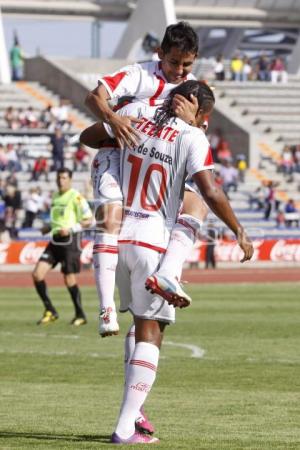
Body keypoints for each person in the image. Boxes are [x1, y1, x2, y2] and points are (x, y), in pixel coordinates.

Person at [91, 80, 253, 444]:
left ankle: (135, 417)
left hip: (121, 236)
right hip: (154, 239)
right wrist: (239, 230)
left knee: (137, 324)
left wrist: (114, 124)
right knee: (152, 333)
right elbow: (209, 190)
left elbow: (89, 135)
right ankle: (125, 427)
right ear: (203, 114)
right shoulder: (193, 136)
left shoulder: (133, 113)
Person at [83, 21, 209, 337]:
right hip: (116, 152)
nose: (180, 71)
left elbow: (198, 130)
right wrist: (113, 118)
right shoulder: (138, 74)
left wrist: (194, 121)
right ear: (159, 54)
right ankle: (105, 308)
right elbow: (94, 98)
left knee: (196, 203)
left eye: (187, 64)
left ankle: (168, 273)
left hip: (157, 167)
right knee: (110, 216)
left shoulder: (194, 87)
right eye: (174, 62)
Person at [32, 168, 93, 326]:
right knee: (37, 274)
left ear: (70, 180)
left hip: (70, 241)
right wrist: (48, 227)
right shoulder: (55, 196)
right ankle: (50, 310)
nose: (61, 181)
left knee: (69, 278)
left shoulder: (76, 196)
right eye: (59, 178)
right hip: (55, 240)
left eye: (64, 178)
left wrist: (71, 229)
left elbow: (88, 219)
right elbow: (58, 219)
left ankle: (80, 315)